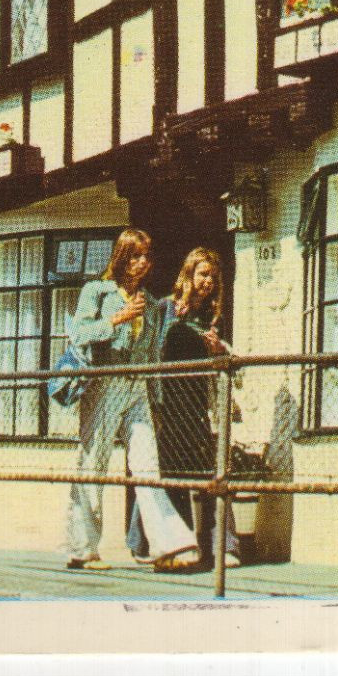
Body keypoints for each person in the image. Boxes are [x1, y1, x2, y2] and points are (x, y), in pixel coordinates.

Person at [63, 229, 199, 573]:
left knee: (147, 465)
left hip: (137, 385)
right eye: (135, 256)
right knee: (93, 463)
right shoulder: (98, 291)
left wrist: (156, 399)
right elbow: (78, 334)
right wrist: (117, 318)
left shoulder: (151, 304)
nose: (142, 263)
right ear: (121, 258)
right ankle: (83, 548)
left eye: (146, 256)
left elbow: (153, 354)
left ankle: (167, 547)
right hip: (105, 382)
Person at [128, 249, 242, 569]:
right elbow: (151, 348)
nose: (207, 282)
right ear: (189, 275)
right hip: (166, 403)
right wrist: (174, 320)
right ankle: (144, 542)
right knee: (161, 470)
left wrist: (220, 350)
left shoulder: (214, 316)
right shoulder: (165, 307)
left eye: (212, 277)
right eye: (202, 274)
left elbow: (232, 359)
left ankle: (221, 545)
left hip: (198, 405)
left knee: (208, 470)